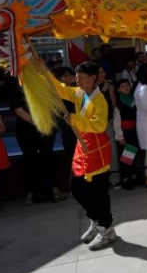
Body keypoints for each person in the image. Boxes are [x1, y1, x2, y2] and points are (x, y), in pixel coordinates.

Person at [47, 62, 118, 251]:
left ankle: (107, 229)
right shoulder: (79, 93)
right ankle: (95, 220)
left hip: (97, 150)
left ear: (93, 78)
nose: (77, 81)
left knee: (98, 192)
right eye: (76, 78)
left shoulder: (99, 100)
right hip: (82, 147)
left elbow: (100, 125)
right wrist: (42, 71)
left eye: (81, 77)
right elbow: (61, 89)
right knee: (76, 187)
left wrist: (75, 120)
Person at [13, 88, 65, 205]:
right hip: (26, 128)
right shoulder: (18, 89)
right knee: (29, 158)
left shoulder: (44, 84)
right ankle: (32, 191)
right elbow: (18, 109)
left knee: (48, 156)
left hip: (46, 126)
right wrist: (35, 120)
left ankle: (52, 189)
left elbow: (53, 104)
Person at [112, 78, 140, 189]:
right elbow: (117, 122)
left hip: (135, 131)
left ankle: (135, 176)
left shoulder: (135, 100)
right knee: (126, 157)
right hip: (125, 133)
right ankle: (126, 179)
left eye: (127, 86)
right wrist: (120, 137)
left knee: (135, 154)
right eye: (122, 86)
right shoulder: (118, 104)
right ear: (118, 90)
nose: (126, 88)